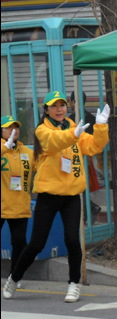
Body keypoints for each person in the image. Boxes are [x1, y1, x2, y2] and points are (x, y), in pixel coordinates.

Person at [2, 91, 110, 303]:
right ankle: (14, 279)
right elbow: (52, 143)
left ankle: (73, 284)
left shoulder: (73, 127)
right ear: (47, 110)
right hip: (48, 195)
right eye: (55, 106)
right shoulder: (43, 130)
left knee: (72, 240)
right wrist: (74, 135)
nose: (60, 109)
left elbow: (95, 146)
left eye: (62, 105)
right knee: (36, 244)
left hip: (71, 195)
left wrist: (101, 126)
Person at [1, 115, 35, 289]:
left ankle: (14, 276)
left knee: (19, 242)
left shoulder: (27, 153)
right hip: (1, 204)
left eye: (17, 127)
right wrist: (4, 148)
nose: (14, 131)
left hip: (20, 205)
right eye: (9, 128)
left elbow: (42, 166)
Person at [68, 91, 101, 225]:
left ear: (73, 101)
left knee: (79, 186)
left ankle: (90, 208)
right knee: (83, 186)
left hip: (78, 158)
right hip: (89, 158)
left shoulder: (71, 118)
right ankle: (89, 210)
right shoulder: (91, 118)